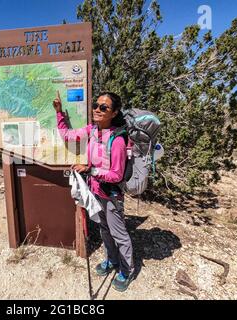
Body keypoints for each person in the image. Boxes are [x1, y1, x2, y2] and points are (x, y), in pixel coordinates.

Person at [53, 90, 134, 292]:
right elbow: (68, 136)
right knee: (104, 229)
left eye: (103, 107)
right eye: (96, 105)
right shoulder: (92, 130)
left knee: (119, 234)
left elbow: (117, 174)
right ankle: (111, 260)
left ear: (114, 113)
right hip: (95, 191)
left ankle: (126, 270)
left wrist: (90, 169)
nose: (97, 110)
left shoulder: (117, 141)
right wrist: (59, 113)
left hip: (111, 195)